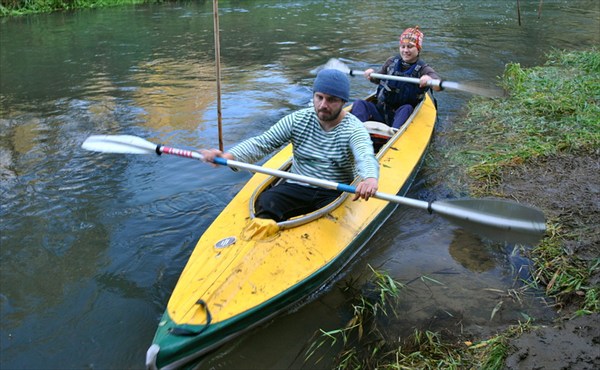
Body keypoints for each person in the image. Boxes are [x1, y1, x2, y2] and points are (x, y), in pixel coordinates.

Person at [200, 69, 380, 223]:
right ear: (314, 96)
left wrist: (370, 178)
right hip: (297, 185)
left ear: (343, 102)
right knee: (266, 201)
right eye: (319, 97)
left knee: (326, 216)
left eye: (331, 100)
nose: (323, 105)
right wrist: (229, 157)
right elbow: (263, 143)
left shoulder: (354, 129)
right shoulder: (298, 119)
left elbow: (364, 155)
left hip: (334, 191)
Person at [350, 26, 442, 129]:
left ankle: (393, 134)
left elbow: (438, 86)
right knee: (359, 103)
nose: (405, 50)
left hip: (402, 115)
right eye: (403, 46)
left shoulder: (423, 69)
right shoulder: (391, 62)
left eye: (410, 46)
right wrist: (371, 75)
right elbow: (378, 79)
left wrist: (430, 81)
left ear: (418, 49)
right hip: (382, 111)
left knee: (406, 108)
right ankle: (355, 131)